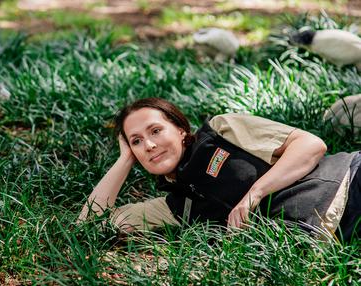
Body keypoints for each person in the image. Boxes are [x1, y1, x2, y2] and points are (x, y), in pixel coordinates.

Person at [78, 97, 361, 242]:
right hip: (337, 231)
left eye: (156, 131)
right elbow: (87, 224)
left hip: (350, 179)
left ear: (180, 130)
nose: (149, 145)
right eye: (137, 141)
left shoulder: (221, 130)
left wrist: (254, 194)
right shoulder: (173, 207)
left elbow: (310, 145)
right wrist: (125, 158)